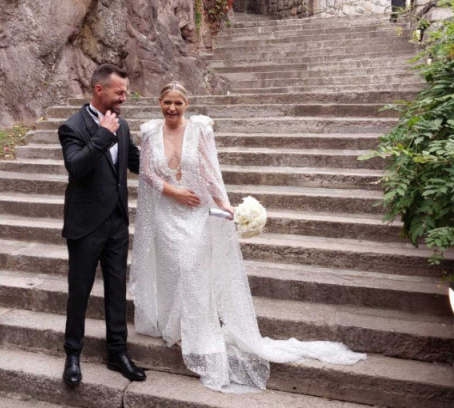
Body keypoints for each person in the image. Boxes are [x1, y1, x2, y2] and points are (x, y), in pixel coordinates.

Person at [130, 82, 366, 392]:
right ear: (159, 102)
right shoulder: (150, 132)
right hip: (167, 212)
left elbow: (209, 172)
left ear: (187, 104)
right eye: (167, 102)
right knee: (172, 271)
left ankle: (197, 332)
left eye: (178, 103)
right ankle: (175, 328)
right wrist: (173, 192)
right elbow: (147, 172)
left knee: (191, 270)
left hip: (197, 212)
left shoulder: (200, 130)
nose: (172, 108)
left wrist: (225, 205)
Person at [58, 64, 144, 385]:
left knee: (116, 290)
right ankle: (72, 354)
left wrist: (173, 154)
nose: (124, 98)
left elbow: (136, 162)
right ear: (99, 90)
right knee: (79, 291)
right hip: (85, 225)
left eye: (125, 92)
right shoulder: (72, 126)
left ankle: (117, 353)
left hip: (117, 223)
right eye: (119, 92)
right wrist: (103, 135)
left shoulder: (123, 125)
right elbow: (76, 167)